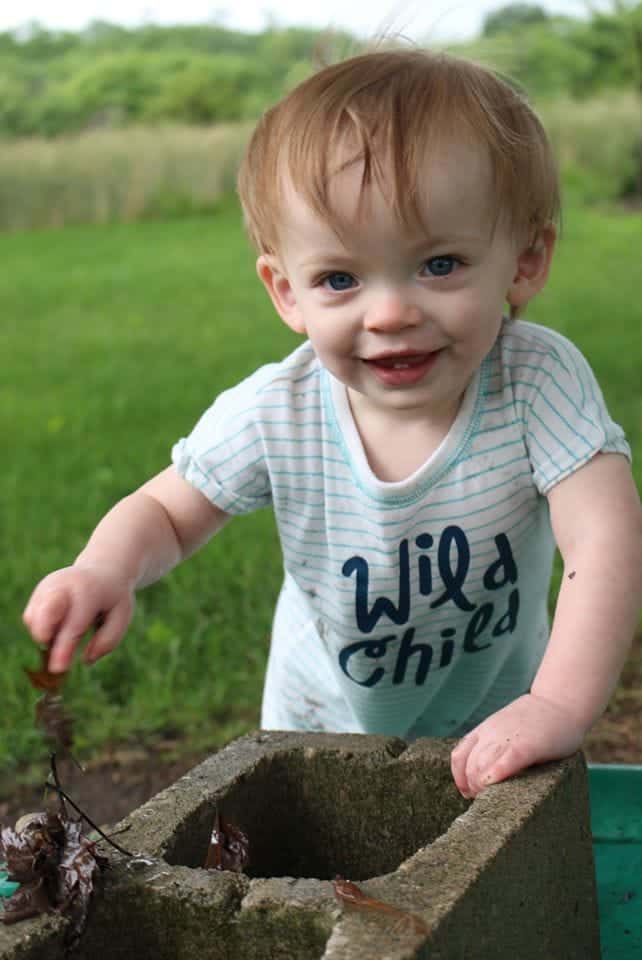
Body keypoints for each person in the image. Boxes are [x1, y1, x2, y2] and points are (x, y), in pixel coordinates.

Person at [23, 48, 642, 799]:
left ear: (525, 260)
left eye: (440, 264)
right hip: (318, 729)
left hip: (497, 726)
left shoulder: (535, 383)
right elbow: (167, 509)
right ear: (286, 292)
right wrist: (105, 567)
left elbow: (605, 539)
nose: (389, 313)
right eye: (340, 279)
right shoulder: (278, 411)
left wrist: (556, 704)